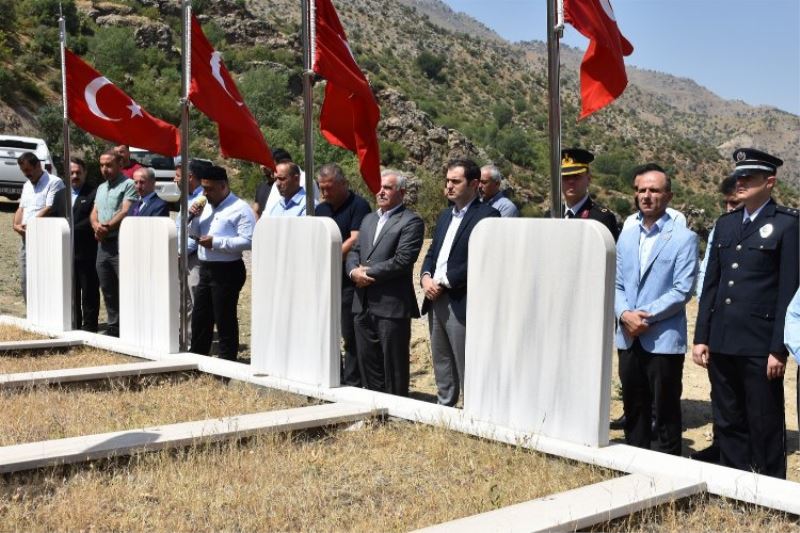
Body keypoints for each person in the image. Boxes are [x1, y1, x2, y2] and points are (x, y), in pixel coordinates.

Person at [693, 148, 798, 479]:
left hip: (759, 344)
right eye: (738, 176)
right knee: (728, 417)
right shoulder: (725, 224)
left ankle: (769, 488)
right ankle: (733, 482)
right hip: (722, 339)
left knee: (764, 419)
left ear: (769, 182)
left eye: (749, 177)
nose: (740, 182)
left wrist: (778, 348)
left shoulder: (787, 224)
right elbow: (711, 285)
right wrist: (702, 337)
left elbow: (788, 293)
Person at [615, 163, 698, 455]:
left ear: (669, 196)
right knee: (633, 407)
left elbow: (682, 290)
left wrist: (642, 316)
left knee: (665, 411)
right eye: (641, 190)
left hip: (662, 338)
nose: (646, 196)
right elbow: (616, 284)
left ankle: (668, 469)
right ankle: (633, 462)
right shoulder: (626, 236)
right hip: (628, 336)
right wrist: (624, 314)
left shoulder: (684, 238)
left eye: (654, 190)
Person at [421, 158, 500, 406]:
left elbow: (482, 258)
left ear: (474, 184)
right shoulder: (445, 215)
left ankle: (473, 409)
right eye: (447, 181)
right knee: (441, 358)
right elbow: (433, 252)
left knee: (466, 358)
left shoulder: (488, 216)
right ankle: (445, 406)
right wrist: (425, 277)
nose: (449, 186)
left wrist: (445, 281)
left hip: (461, 299)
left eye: (455, 181)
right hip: (434, 296)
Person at [346, 170, 424, 396]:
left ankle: (396, 408)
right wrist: (352, 271)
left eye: (387, 188)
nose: (381, 192)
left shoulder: (411, 221)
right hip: (362, 302)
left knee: (393, 365)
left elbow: (402, 260)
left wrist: (366, 274)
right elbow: (355, 251)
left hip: (391, 305)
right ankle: (374, 407)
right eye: (378, 188)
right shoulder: (369, 219)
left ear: (401, 192)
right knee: (367, 360)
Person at [690, 174, 740, 464]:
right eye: (727, 203)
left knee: (742, 392)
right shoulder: (720, 228)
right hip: (715, 317)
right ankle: (721, 443)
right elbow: (707, 274)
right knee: (720, 390)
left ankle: (740, 450)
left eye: (735, 203)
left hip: (743, 323)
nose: (729, 208)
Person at [188, 163, 255, 361]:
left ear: (223, 186)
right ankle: (197, 357)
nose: (205, 193)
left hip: (227, 270)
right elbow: (194, 233)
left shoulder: (240, 208)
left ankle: (227, 360)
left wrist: (217, 242)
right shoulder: (204, 207)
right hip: (206, 267)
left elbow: (249, 240)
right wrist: (194, 218)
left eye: (209, 189)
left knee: (224, 317)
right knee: (201, 316)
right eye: (203, 188)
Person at [316, 163, 372, 387]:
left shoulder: (359, 205)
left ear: (343, 184)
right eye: (321, 187)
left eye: (328, 187)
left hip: (348, 279)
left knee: (349, 332)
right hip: (324, 278)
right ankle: (331, 375)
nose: (324, 193)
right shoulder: (321, 209)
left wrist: (331, 256)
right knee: (325, 331)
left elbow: (355, 238)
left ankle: (352, 381)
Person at [91, 150, 137, 337]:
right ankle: (114, 326)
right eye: (102, 165)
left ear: (120, 164)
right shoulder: (101, 187)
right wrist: (96, 226)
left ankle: (130, 326)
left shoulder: (128, 184)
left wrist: (107, 227)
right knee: (107, 287)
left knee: (125, 286)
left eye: (109, 165)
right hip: (102, 244)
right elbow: (94, 212)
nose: (105, 169)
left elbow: (125, 211)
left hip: (120, 243)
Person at [50, 157, 100, 332]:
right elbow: (54, 218)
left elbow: (93, 219)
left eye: (78, 172)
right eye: (71, 173)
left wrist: (70, 228)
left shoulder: (94, 193)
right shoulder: (60, 195)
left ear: (85, 173)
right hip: (65, 253)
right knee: (70, 292)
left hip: (86, 252)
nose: (75, 176)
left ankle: (90, 327)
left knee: (89, 292)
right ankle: (74, 325)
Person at [13, 152, 65, 302]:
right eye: (23, 171)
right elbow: (21, 208)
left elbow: (49, 207)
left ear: (38, 165)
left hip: (44, 238)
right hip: (26, 238)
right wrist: (16, 225)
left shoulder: (54, 182)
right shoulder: (27, 185)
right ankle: (30, 310)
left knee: (44, 278)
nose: (26, 174)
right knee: (25, 278)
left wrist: (31, 224)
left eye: (28, 170)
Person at [175, 158, 207, 328]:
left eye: (178, 176)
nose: (175, 179)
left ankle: (197, 338)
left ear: (190, 177)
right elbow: (180, 226)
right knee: (184, 300)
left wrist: (181, 252)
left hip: (194, 258)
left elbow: (197, 232)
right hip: (182, 255)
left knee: (196, 301)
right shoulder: (187, 197)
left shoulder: (203, 199)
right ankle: (187, 337)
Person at [559, 149, 619, 240]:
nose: (571, 181)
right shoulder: (551, 216)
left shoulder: (602, 218)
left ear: (588, 179)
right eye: (565, 177)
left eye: (576, 176)